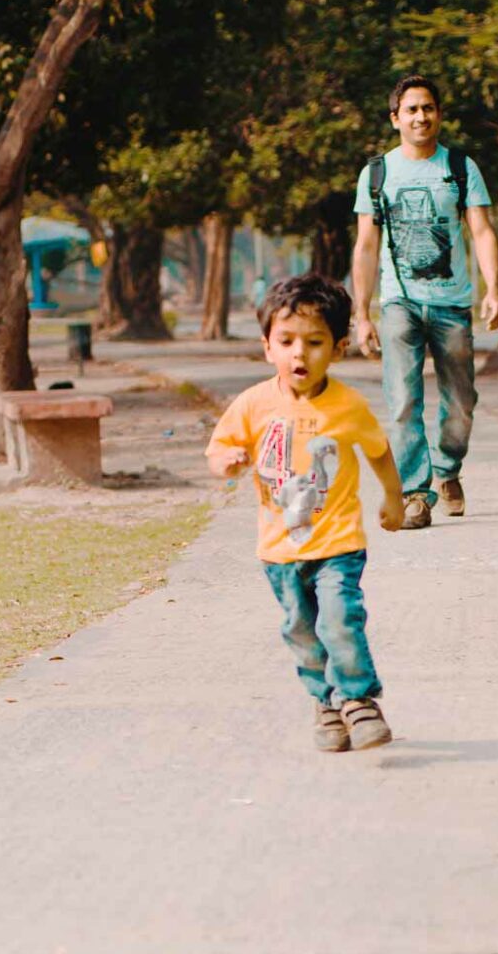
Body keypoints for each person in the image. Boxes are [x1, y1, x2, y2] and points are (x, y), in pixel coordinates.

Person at [206, 274, 404, 753]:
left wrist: (394, 498)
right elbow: (219, 450)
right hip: (279, 550)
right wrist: (228, 462)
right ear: (267, 346)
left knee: (338, 620)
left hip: (339, 542)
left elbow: (378, 452)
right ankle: (327, 704)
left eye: (314, 343)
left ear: (337, 349)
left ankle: (358, 700)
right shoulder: (253, 404)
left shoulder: (348, 405)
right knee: (301, 631)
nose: (300, 354)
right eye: (287, 341)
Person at [351, 73, 498, 530]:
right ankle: (416, 494)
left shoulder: (459, 166)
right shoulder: (377, 173)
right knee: (402, 401)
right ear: (395, 118)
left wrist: (494, 289)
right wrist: (362, 312)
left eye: (428, 108)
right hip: (398, 302)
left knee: (461, 403)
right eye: (412, 109)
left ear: (438, 114)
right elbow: (365, 245)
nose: (421, 116)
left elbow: (481, 230)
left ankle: (448, 469)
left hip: (452, 304)